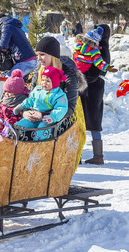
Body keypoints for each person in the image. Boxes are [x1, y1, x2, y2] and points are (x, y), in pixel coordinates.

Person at [29, 36, 87, 120]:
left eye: (42, 54)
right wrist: (26, 112)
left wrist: (43, 115)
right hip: (36, 117)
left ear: (53, 56)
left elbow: (70, 108)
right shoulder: (39, 71)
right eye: (37, 55)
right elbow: (31, 98)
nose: (38, 59)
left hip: (58, 123)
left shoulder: (68, 76)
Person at [80, 24, 113, 165]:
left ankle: (98, 156)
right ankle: (80, 154)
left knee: (93, 120)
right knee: (82, 120)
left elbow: (98, 71)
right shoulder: (95, 47)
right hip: (89, 87)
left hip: (93, 87)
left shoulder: (102, 49)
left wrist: (82, 78)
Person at [13, 67, 68, 135]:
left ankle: (39, 143)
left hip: (47, 120)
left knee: (41, 131)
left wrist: (52, 117)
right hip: (33, 116)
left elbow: (61, 108)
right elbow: (30, 100)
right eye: (43, 80)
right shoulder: (38, 90)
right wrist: (21, 106)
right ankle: (15, 139)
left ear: (55, 82)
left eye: (48, 81)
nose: (44, 83)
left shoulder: (58, 95)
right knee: (19, 126)